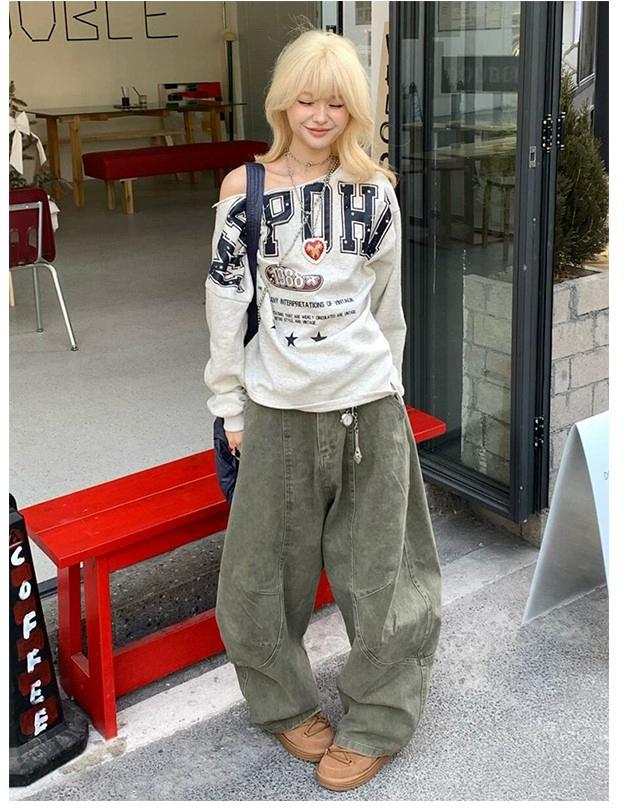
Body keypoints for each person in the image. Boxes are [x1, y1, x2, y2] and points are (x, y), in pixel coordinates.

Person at [204, 28, 442, 792]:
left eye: (335, 102)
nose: (318, 115)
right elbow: (224, 309)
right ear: (283, 102)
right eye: (305, 99)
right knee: (259, 579)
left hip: (368, 406)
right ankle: (286, 706)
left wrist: (390, 392)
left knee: (385, 578)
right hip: (277, 411)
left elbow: (388, 310)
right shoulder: (244, 191)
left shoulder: (376, 194)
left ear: (355, 110)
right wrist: (229, 408)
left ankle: (378, 720)